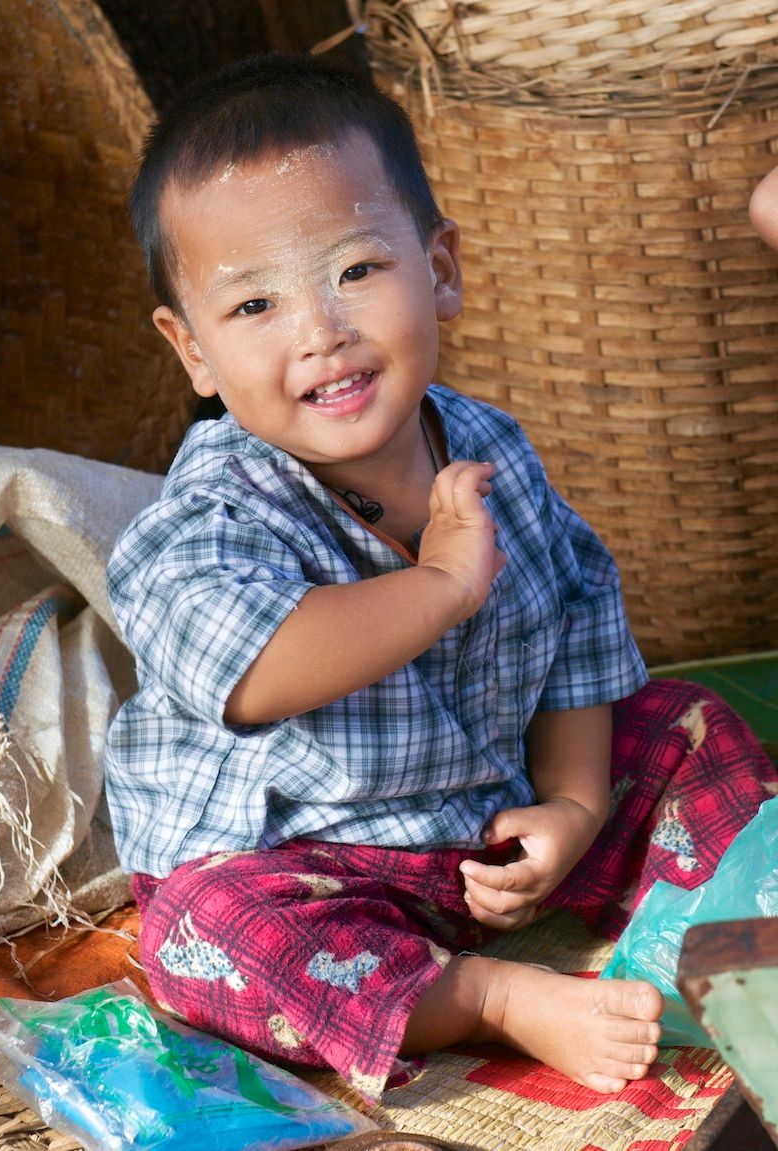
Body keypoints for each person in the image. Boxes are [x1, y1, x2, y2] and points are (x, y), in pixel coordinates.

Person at [104, 53, 777, 1105]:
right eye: (254, 307)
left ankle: (737, 942)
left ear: (441, 269)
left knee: (684, 725)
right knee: (201, 932)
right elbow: (263, 667)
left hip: (491, 827)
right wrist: (442, 582)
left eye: (355, 270)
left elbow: (572, 624)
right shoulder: (212, 514)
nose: (318, 329)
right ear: (190, 349)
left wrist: (570, 800)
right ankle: (485, 996)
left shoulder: (486, 449)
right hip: (312, 863)